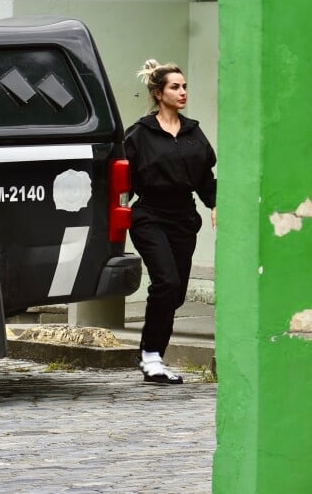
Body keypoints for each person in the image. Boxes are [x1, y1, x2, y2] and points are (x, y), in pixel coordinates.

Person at [125, 60, 217, 384]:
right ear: (157, 93)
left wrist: (216, 203)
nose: (182, 92)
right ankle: (150, 356)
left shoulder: (193, 132)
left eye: (185, 86)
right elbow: (123, 181)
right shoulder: (140, 134)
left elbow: (205, 177)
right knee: (165, 282)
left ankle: (154, 356)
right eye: (175, 87)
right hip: (149, 216)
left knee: (175, 293)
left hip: (183, 218)